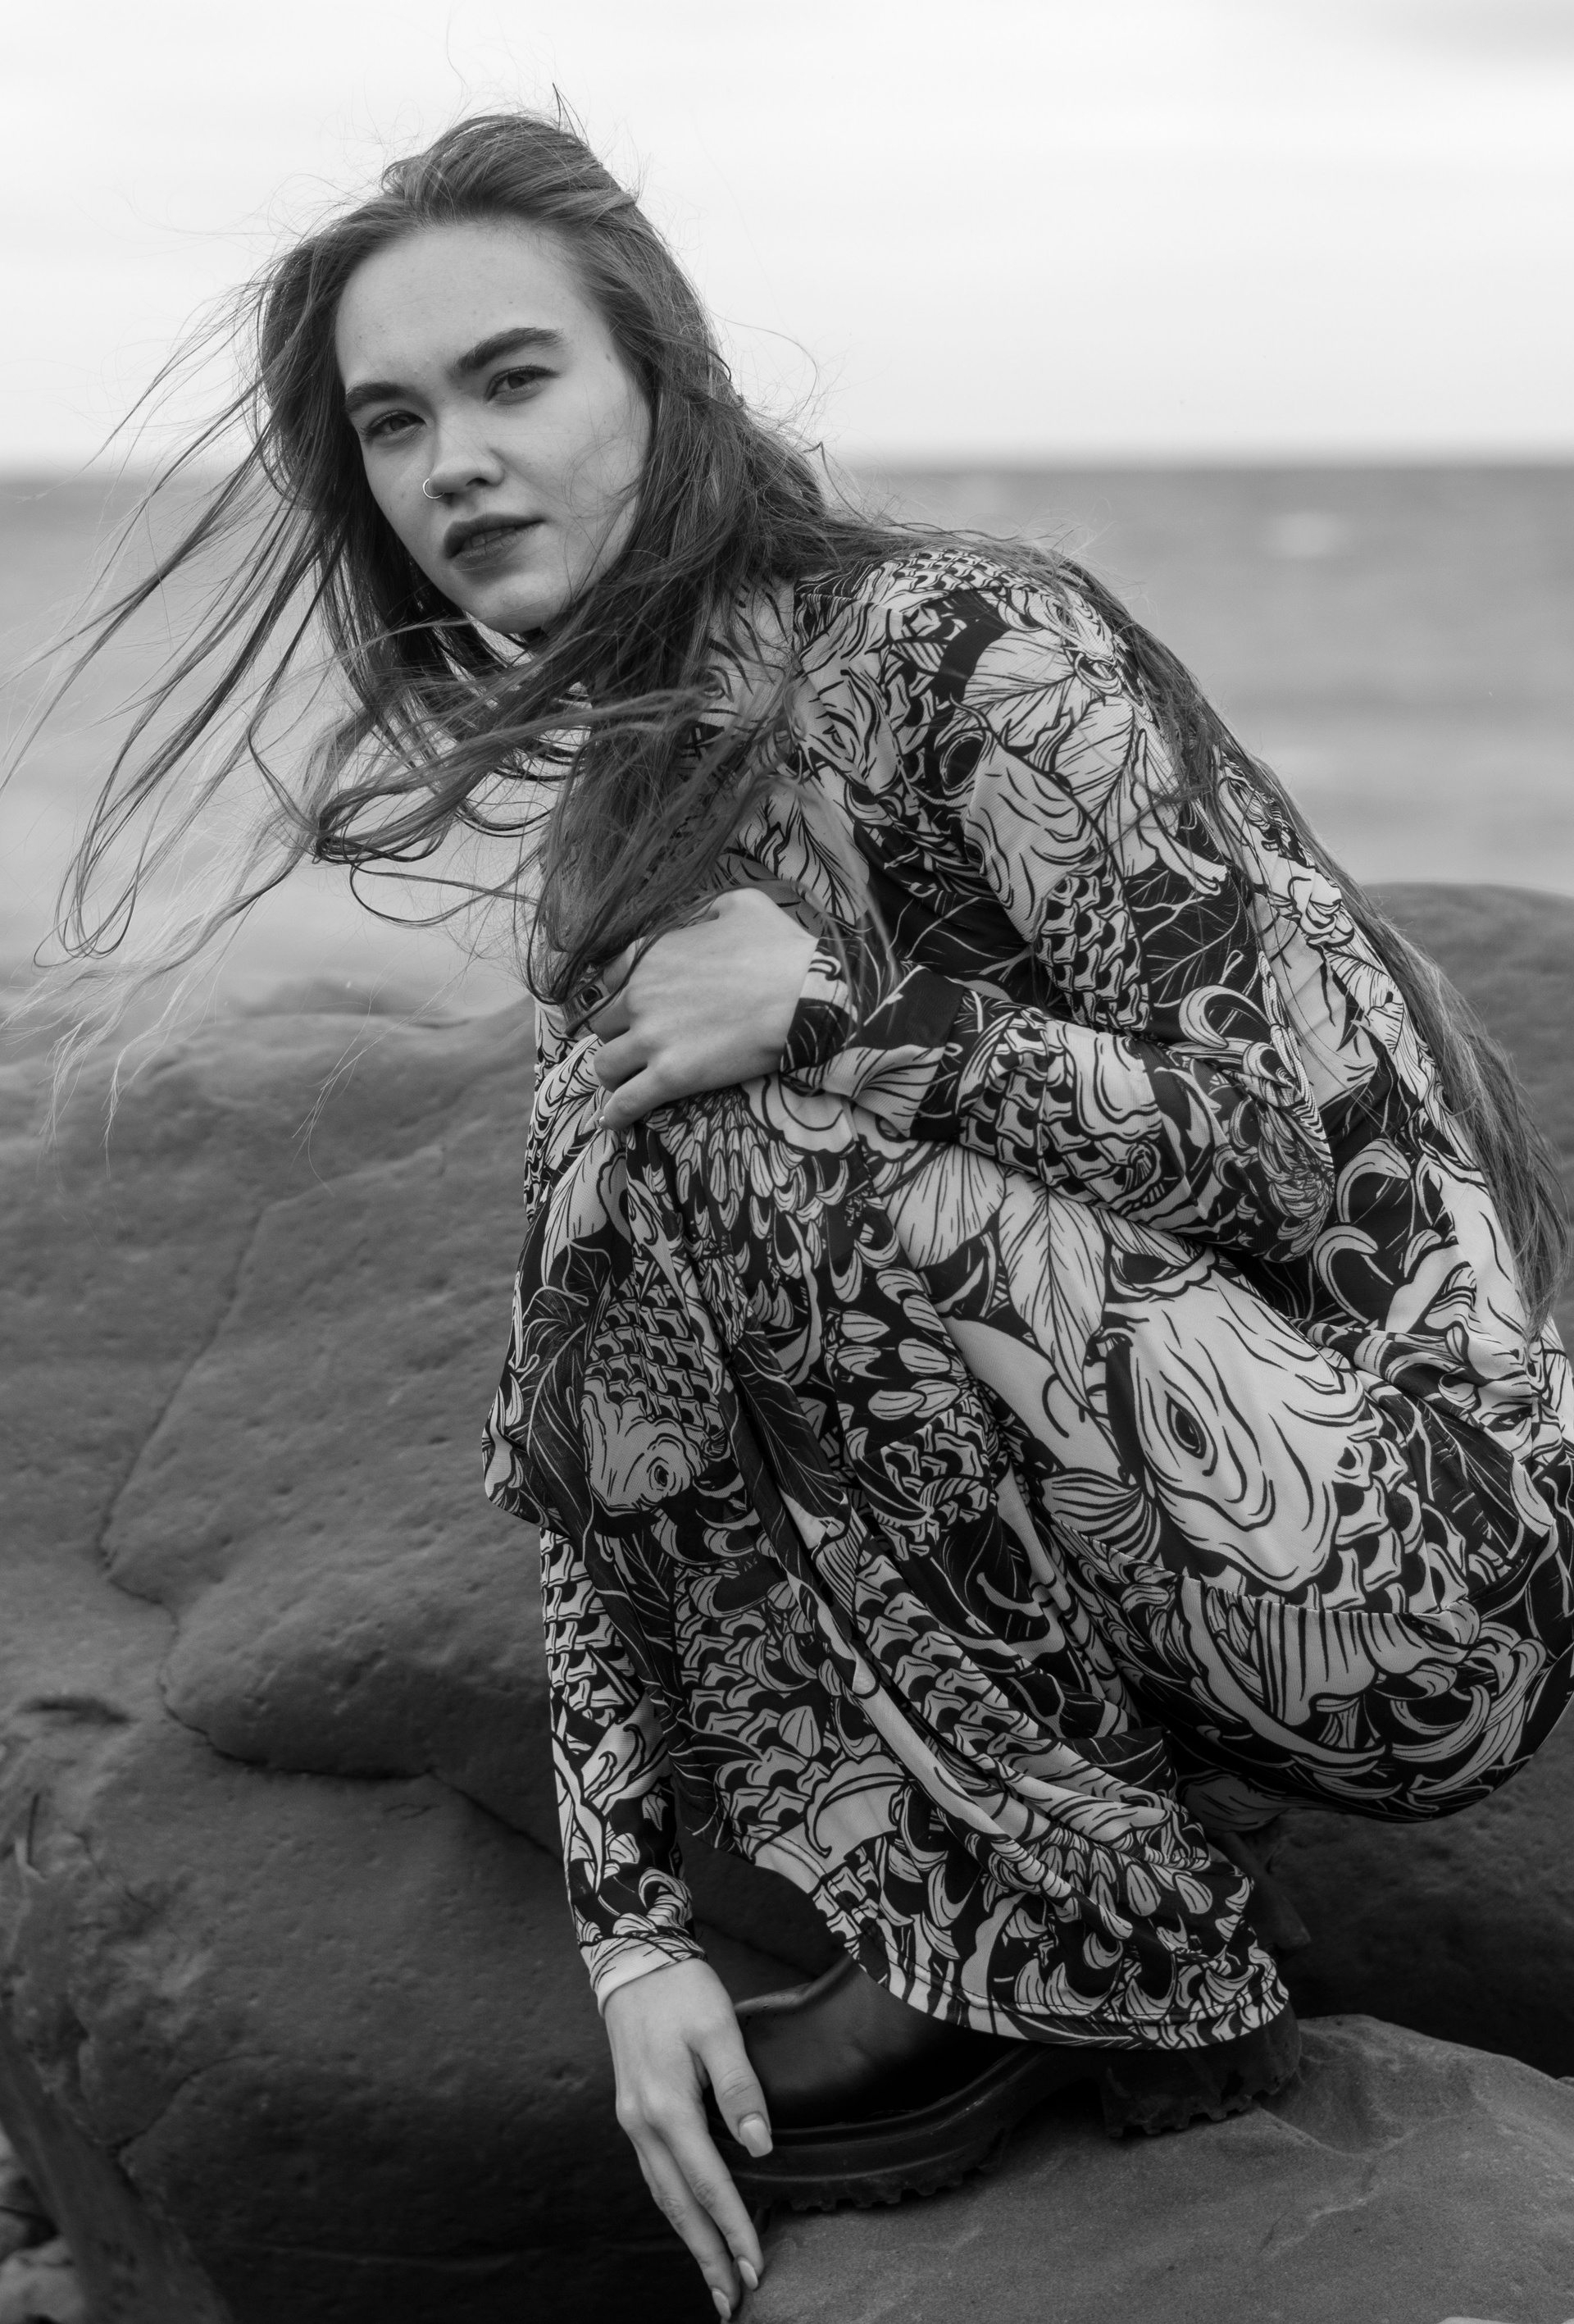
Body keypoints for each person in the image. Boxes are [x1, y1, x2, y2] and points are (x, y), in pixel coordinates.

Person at [33, 109, 1573, 2324]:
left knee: (714, 1135)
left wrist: (849, 1013)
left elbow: (1303, 1154)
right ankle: (1010, 1922)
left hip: (1415, 1554)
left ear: (662, 379)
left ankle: (1087, 1942)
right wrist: (630, 1936)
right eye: (393, 421)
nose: (455, 461)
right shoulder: (638, 819)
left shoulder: (971, 644)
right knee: (644, 1174)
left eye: (513, 379)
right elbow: (597, 1391)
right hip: (1168, 1571)